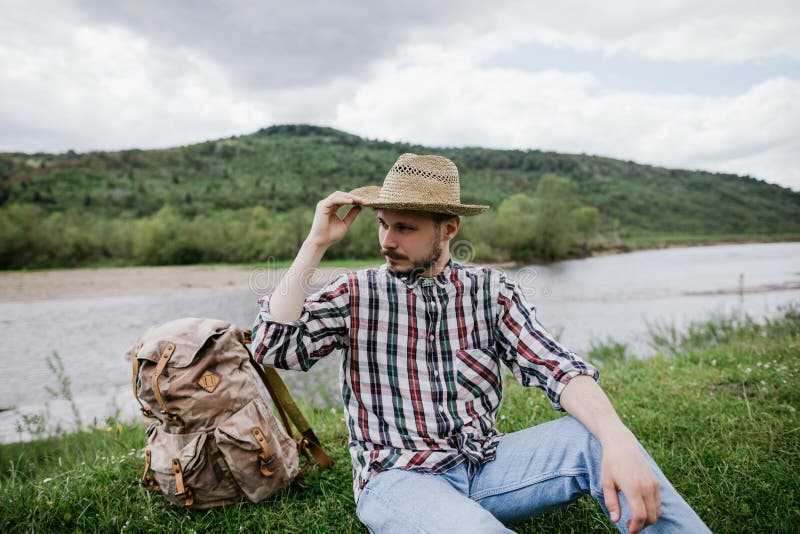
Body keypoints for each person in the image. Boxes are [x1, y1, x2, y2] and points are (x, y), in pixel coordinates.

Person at [251, 153, 709, 533]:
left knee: (594, 439)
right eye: (382, 224)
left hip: (485, 464)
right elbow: (272, 346)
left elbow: (557, 367)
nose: (386, 241)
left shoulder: (491, 290)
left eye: (404, 228)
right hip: (399, 480)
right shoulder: (357, 292)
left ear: (448, 229)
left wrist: (619, 439)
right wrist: (315, 242)